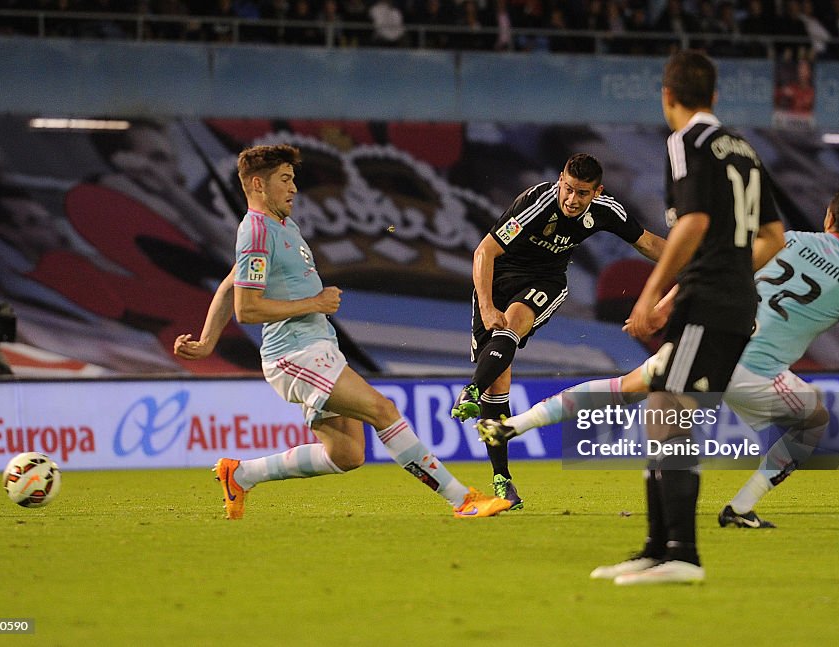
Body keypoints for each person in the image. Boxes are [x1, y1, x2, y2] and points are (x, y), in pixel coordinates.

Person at [478, 185, 839, 533]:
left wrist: (662, 307)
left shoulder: (786, 240)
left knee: (629, 387)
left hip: (705, 339)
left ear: (828, 219)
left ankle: (513, 425)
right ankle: (741, 509)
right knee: (814, 421)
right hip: (753, 371)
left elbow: (721, 267)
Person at [173, 144, 510, 520]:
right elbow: (246, 308)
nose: (294, 188)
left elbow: (228, 284)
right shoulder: (254, 231)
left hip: (318, 347)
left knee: (347, 454)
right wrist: (313, 304)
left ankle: (241, 474)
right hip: (294, 354)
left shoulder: (282, 225)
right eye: (285, 179)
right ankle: (462, 499)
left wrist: (206, 341)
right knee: (383, 410)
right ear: (257, 184)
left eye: (293, 179)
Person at [574, 51, 785, 584]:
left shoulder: (685, 142)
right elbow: (773, 239)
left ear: (667, 97)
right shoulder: (743, 149)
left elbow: (691, 223)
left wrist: (652, 294)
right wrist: (721, 275)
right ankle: (656, 548)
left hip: (711, 302)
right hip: (730, 300)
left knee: (669, 414)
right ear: (713, 95)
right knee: (665, 411)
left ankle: (680, 556)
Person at [449, 152, 667, 509]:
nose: (571, 199)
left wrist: (692, 260)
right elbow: (484, 252)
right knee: (499, 383)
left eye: (582, 193)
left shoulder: (607, 210)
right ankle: (502, 479)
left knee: (517, 321)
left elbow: (648, 243)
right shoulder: (536, 203)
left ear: (597, 192)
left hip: (545, 281)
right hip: (497, 280)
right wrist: (487, 307)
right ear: (560, 181)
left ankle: (470, 389)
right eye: (567, 189)